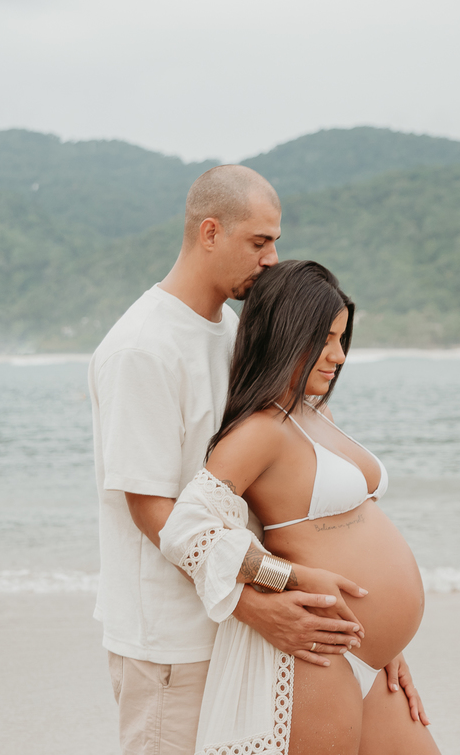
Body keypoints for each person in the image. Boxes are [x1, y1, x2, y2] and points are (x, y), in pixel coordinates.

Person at [89, 166, 372, 754]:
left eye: (276, 241)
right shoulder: (144, 348)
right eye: (260, 242)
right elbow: (154, 512)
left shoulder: (230, 332)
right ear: (210, 232)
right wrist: (261, 600)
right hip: (170, 641)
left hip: (234, 632)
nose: (272, 259)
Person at [160, 260, 437, 755]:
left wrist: (388, 642)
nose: (338, 356)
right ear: (287, 336)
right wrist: (288, 578)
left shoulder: (315, 413)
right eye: (325, 340)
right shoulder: (260, 431)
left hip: (372, 655)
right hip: (317, 653)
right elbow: (186, 531)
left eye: (341, 340)